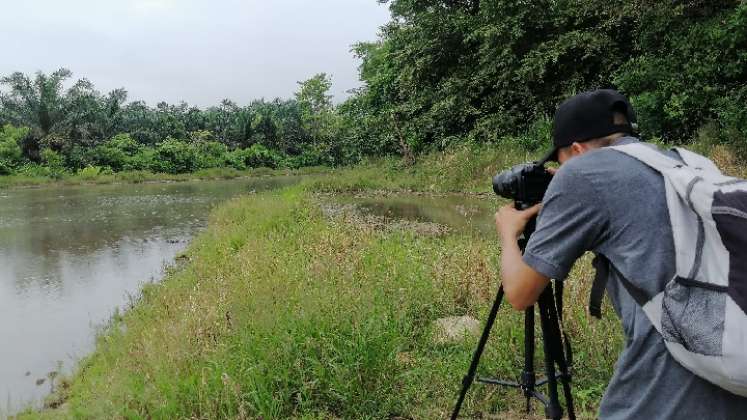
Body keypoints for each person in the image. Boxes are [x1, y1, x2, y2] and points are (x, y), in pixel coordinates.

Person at [493, 89, 747, 419]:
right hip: (731, 357)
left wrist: (508, 233)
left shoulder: (582, 174)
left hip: (668, 385)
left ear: (577, 149)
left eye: (561, 161)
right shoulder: (683, 161)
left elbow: (520, 293)